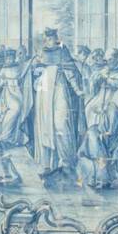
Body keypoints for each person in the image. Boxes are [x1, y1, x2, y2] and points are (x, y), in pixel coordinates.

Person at [31, 29, 83, 179]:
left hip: (59, 87)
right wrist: (36, 73)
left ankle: (66, 161)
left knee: (61, 123)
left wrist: (77, 89)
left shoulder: (63, 51)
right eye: (47, 38)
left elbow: (71, 72)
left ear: (56, 38)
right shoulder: (42, 52)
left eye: (51, 38)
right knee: (45, 126)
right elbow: (36, 71)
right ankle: (48, 164)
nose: (49, 41)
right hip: (44, 90)